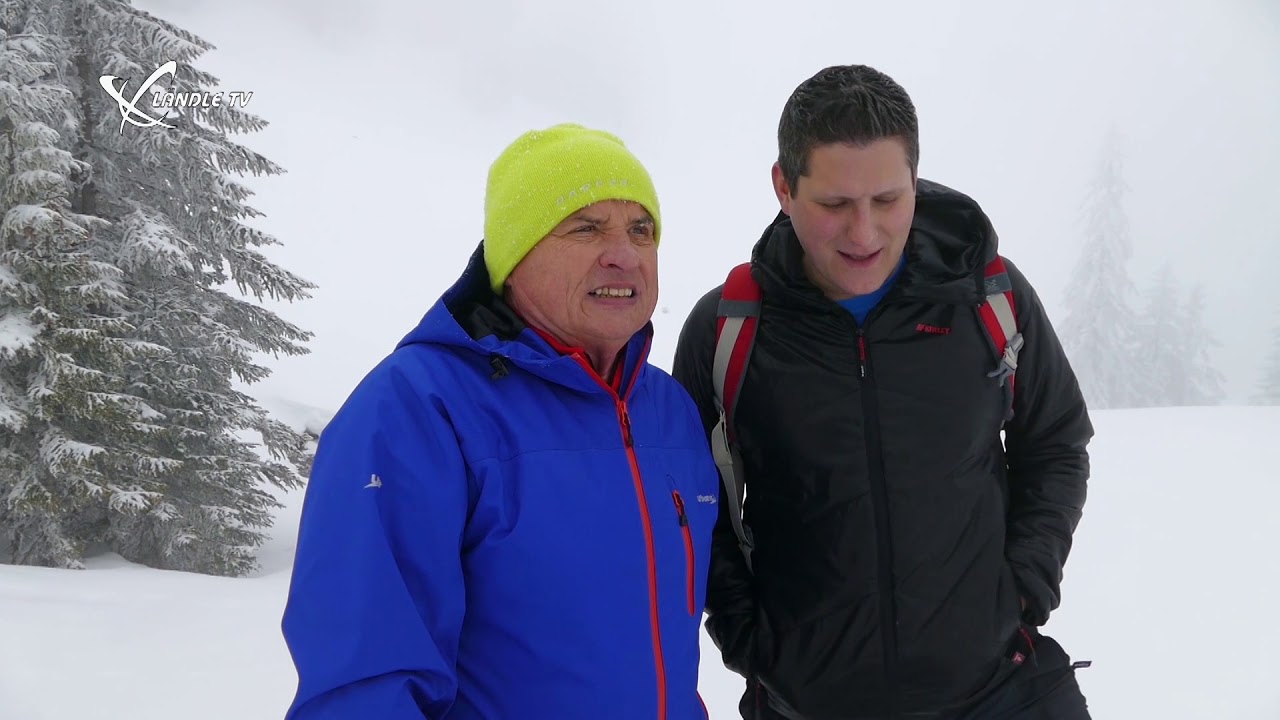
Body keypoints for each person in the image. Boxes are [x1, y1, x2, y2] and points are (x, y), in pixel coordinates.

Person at [673, 65, 1095, 719]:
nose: (864, 233)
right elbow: (693, 502)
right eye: (835, 205)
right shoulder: (730, 329)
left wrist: (1024, 585)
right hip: (809, 703)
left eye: (889, 200)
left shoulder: (991, 298)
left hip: (1002, 692)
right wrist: (748, 637)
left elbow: (1056, 441)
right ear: (784, 187)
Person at [282, 123, 720, 719]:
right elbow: (367, 685)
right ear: (514, 258)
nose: (623, 253)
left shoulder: (670, 412)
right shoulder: (416, 409)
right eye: (586, 227)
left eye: (641, 230)